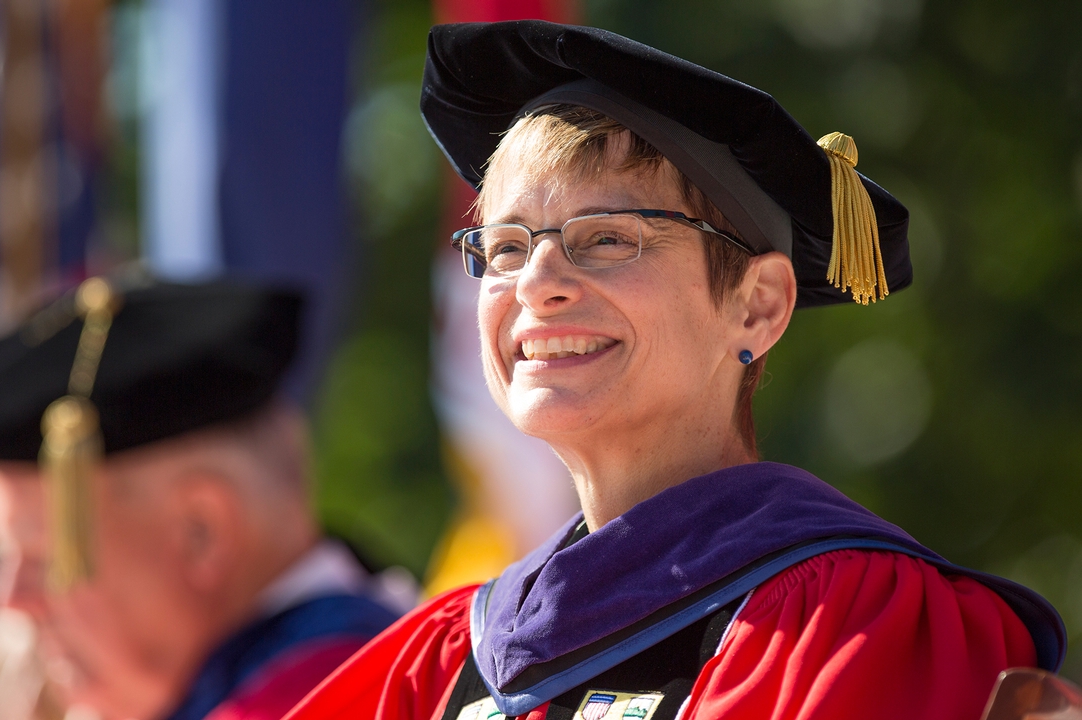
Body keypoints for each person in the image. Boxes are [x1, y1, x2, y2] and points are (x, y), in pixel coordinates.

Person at [282, 21, 1066, 720]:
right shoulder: (437, 662)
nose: (535, 282)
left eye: (608, 239)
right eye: (506, 247)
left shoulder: (850, 623)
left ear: (758, 306)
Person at [0, 277, 405, 720]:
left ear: (202, 534)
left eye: (43, 556)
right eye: (3, 556)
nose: (7, 600)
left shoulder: (344, 695)